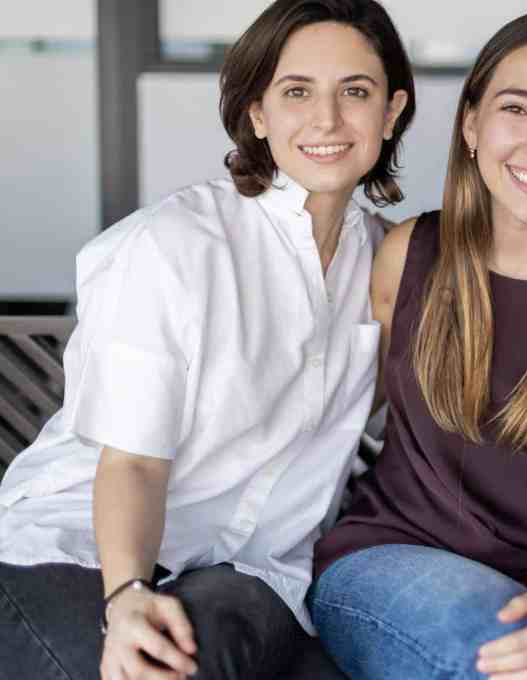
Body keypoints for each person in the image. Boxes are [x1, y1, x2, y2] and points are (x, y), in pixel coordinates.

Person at [0, 1, 415, 678]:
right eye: (297, 91)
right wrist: (127, 597)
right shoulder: (175, 244)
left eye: (356, 92)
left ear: (391, 112)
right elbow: (133, 463)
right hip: (82, 551)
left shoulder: (387, 266)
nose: (328, 119)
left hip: (249, 572)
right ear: (258, 113)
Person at [308, 10, 527, 680]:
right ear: (471, 126)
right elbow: (326, 421)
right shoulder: (405, 255)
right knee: (492, 658)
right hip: (384, 561)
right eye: (516, 109)